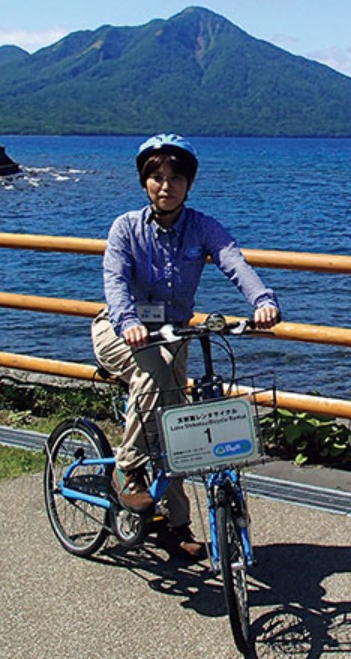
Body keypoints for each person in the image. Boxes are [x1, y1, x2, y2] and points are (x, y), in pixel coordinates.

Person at [91, 133, 280, 560]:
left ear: (189, 183)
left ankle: (175, 525)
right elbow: (115, 281)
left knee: (176, 427)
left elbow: (234, 261)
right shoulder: (125, 228)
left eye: (176, 177)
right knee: (156, 377)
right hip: (120, 331)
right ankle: (129, 468)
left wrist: (263, 301)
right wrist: (128, 321)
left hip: (172, 336)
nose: (166, 186)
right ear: (144, 183)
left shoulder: (202, 227)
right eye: (156, 177)